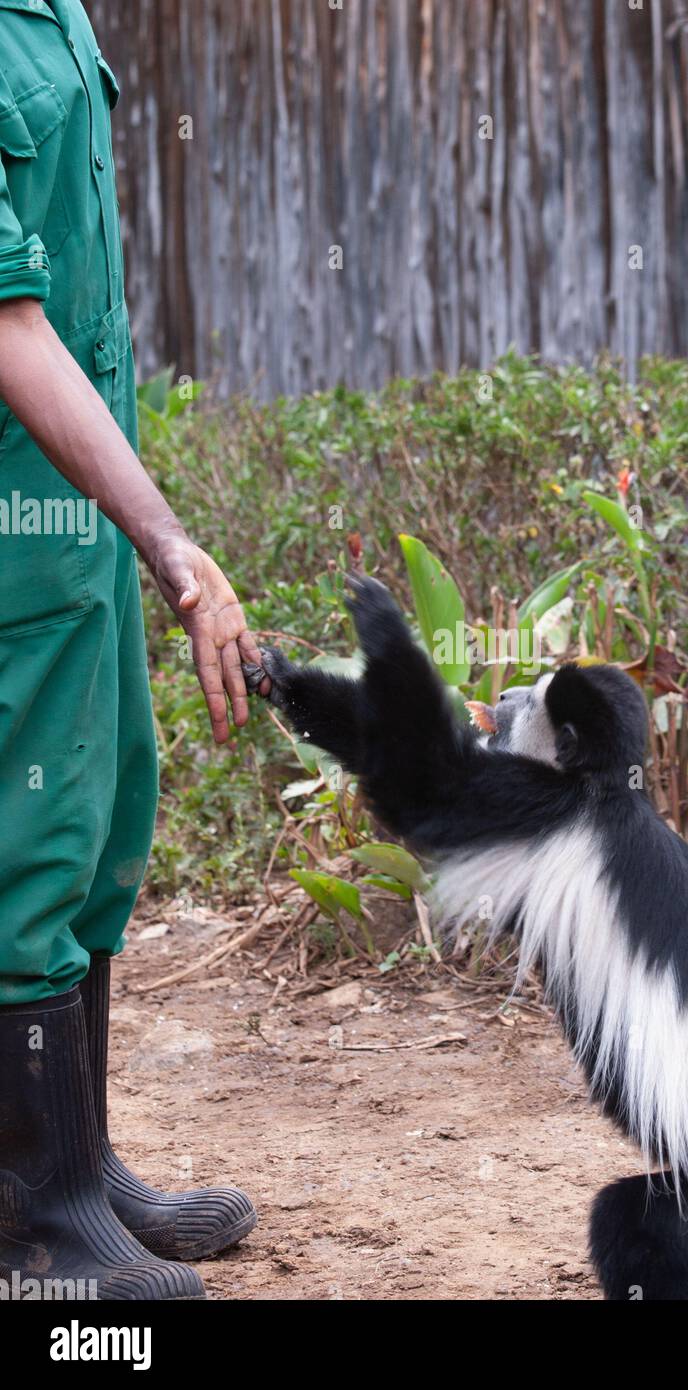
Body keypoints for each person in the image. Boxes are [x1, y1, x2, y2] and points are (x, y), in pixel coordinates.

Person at [0, 0, 261, 1300]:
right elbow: (7, 326)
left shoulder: (49, 6)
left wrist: (133, 526)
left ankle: (83, 1165)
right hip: (10, 523)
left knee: (103, 820)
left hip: (79, 511)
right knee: (23, 847)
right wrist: (169, 539)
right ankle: (32, 1225)